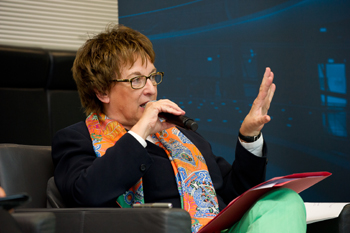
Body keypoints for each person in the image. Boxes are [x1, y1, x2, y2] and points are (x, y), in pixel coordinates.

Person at [52, 24, 306, 232]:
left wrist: (249, 135)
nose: (151, 88)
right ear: (102, 91)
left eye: (152, 77)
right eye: (137, 80)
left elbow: (234, 194)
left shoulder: (181, 135)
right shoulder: (76, 139)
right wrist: (140, 131)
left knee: (284, 200)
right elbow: (86, 193)